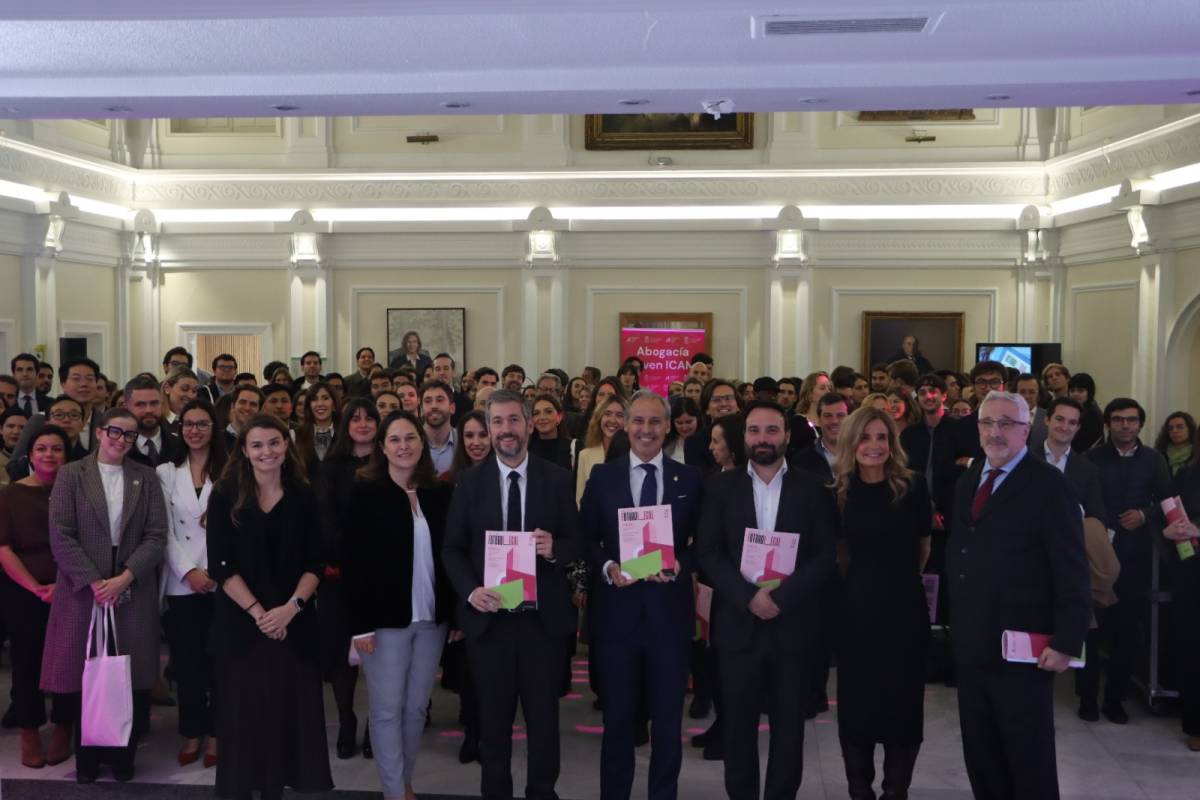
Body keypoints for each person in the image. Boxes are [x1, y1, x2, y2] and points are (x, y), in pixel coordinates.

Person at [946, 390, 1090, 800]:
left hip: (1024, 652)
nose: (996, 432)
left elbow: (1072, 569)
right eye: (988, 423)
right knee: (982, 754)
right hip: (974, 644)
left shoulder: (1049, 486)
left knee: (1027, 759)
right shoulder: (969, 478)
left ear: (1027, 430)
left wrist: (1066, 641)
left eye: (1006, 423)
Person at [442, 389, 582, 800]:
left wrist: (555, 547)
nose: (506, 430)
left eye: (513, 420)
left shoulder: (556, 478)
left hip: (543, 624)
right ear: (488, 428)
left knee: (543, 723)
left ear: (528, 425)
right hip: (491, 624)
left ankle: (542, 792)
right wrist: (471, 591)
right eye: (498, 422)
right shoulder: (469, 482)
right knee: (494, 724)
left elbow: (578, 541)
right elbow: (452, 549)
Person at [696, 400, 837, 800]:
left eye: (772, 430)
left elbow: (825, 555)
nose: (763, 439)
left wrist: (782, 597)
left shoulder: (813, 488)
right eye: (755, 431)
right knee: (738, 728)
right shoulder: (720, 486)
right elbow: (708, 552)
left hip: (792, 625)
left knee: (789, 728)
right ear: (745, 437)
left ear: (787, 436)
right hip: (738, 626)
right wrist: (748, 598)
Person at [580, 390, 704, 800]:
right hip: (617, 617)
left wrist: (681, 563)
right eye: (638, 421)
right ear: (625, 425)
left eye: (655, 422)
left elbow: (704, 541)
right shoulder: (603, 476)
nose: (646, 430)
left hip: (669, 617)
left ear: (667, 427)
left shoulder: (690, 479)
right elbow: (586, 538)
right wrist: (608, 567)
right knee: (618, 722)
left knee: (668, 724)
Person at [206, 414, 333, 800]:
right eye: (257, 445)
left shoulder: (303, 494)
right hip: (242, 625)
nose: (267, 452)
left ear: (286, 445)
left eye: (274, 443)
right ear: (243, 450)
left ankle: (276, 789)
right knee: (244, 719)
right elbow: (221, 566)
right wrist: (261, 614)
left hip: (294, 625)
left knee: (286, 716)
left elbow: (316, 563)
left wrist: (290, 609)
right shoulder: (225, 494)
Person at [41, 408, 168, 783]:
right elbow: (60, 534)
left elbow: (157, 535)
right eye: (115, 431)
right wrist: (95, 581)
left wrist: (124, 578)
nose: (121, 439)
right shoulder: (72, 474)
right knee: (88, 676)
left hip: (130, 588)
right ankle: (88, 761)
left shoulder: (144, 477)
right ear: (98, 432)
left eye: (130, 435)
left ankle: (123, 759)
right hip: (83, 590)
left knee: (125, 675)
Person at [344, 410, 455, 800]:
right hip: (383, 623)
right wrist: (359, 625)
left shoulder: (438, 493)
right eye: (395, 439)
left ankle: (405, 781)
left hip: (431, 620)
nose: (404, 446)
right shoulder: (364, 493)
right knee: (387, 710)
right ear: (382, 447)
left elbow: (450, 557)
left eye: (410, 438)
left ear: (422, 444)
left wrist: (453, 613)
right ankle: (394, 792)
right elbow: (352, 564)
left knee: (415, 709)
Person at [831, 406, 932, 800]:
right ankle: (860, 790)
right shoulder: (837, 492)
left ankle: (895, 792)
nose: (874, 446)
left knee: (903, 709)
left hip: (905, 613)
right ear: (851, 442)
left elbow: (923, 546)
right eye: (866, 437)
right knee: (857, 710)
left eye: (882, 438)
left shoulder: (914, 486)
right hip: (855, 614)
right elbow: (839, 556)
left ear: (893, 443)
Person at [1084, 398, 1173, 725]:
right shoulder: (1092, 458)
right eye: (1118, 419)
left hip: (1135, 554)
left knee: (1126, 629)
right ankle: (1087, 696)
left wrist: (1144, 514)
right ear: (1108, 423)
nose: (1125, 425)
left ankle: (1115, 698)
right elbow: (1082, 500)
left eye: (1131, 420)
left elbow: (1166, 501)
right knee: (1092, 627)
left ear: (1140, 425)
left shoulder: (1153, 460)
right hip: (1096, 554)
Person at [158, 401, 227, 768]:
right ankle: (191, 732)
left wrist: (215, 571)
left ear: (214, 428)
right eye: (188, 424)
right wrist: (188, 571)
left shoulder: (233, 469)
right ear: (180, 429)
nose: (195, 430)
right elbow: (162, 531)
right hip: (182, 583)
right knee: (188, 666)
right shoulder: (165, 473)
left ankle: (217, 734)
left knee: (219, 663)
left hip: (223, 582)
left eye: (202, 424)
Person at [0, 425, 72, 768]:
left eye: (56, 449)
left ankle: (64, 726)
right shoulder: (10, 494)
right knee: (27, 660)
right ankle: (29, 730)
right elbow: (3, 547)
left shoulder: (76, 492)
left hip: (71, 587)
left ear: (66, 455)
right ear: (29, 455)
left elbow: (86, 542)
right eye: (41, 448)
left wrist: (62, 584)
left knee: (68, 659)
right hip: (23, 590)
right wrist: (33, 587)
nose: (49, 455)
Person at [315, 398, 380, 759]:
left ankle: (376, 724)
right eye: (355, 418)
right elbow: (324, 518)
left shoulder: (389, 461)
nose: (363, 423)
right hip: (339, 573)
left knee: (380, 655)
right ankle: (346, 720)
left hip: (382, 576)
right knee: (342, 654)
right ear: (344, 424)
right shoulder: (331, 466)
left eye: (370, 418)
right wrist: (345, 557)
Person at [1163, 449, 1200, 751]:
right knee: (1192, 645)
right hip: (1191, 570)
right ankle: (1195, 724)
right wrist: (1170, 529)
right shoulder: (1187, 474)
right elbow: (1169, 506)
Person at [577, 394, 628, 505]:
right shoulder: (584, 455)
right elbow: (579, 500)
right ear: (599, 418)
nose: (612, 420)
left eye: (619, 415)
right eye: (607, 414)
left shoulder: (635, 455)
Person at [294, 381, 339, 472]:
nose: (320, 404)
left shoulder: (345, 433)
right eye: (314, 399)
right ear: (309, 406)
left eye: (325, 398)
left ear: (334, 404)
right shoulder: (296, 435)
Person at [419, 380, 458, 477]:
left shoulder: (464, 442)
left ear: (452, 408)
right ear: (421, 410)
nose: (434, 406)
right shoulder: (411, 443)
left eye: (440, 400)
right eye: (428, 401)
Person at [529, 393, 573, 471]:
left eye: (548, 412)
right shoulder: (525, 449)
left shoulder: (573, 448)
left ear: (559, 417)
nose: (542, 417)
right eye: (536, 413)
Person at [1067, 373, 1104, 452]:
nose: (1075, 394)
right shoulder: (1071, 411)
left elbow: (1082, 444)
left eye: (1080, 391)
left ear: (1089, 393)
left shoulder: (1093, 415)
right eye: (1072, 390)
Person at [1155, 411, 1196, 476]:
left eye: (1180, 427)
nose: (1175, 431)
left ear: (1190, 429)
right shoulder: (1160, 454)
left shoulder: (1197, 454)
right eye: (1171, 428)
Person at [224, 385, 263, 450]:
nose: (247, 408)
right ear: (232, 406)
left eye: (253, 404)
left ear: (259, 411)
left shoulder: (264, 440)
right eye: (242, 402)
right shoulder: (216, 439)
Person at [664, 397, 700, 464]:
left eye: (689, 422)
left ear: (697, 419)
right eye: (679, 423)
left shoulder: (708, 442)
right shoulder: (665, 442)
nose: (684, 428)